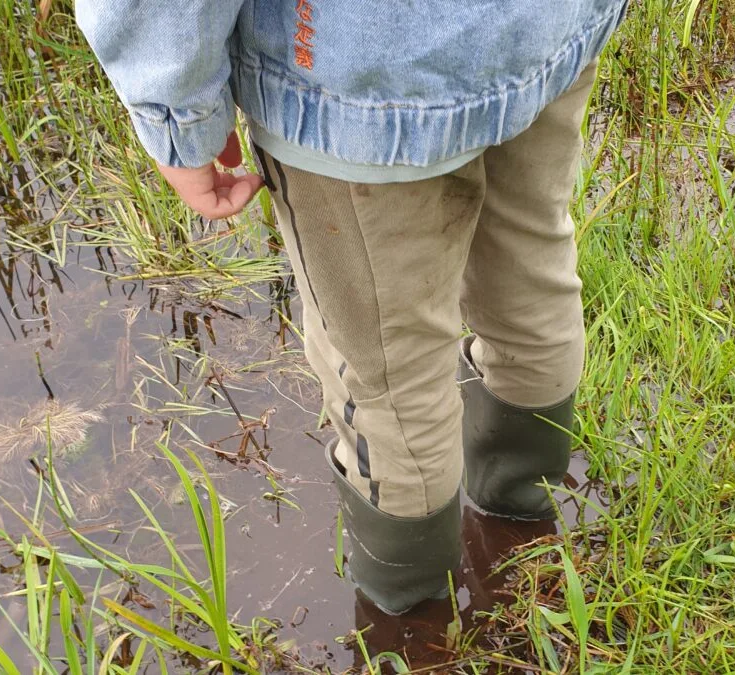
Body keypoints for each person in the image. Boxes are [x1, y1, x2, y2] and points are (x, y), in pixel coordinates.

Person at [77, 0, 630, 616]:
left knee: (388, 378)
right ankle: (524, 522)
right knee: (530, 269)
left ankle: (412, 618)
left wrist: (179, 121)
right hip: (544, 27)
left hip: (357, 81)